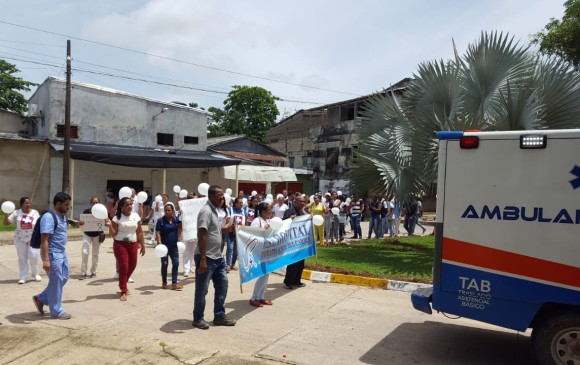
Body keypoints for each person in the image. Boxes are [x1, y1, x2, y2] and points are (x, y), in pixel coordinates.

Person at [193, 185, 236, 329]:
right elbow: (202, 234)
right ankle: (198, 318)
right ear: (210, 196)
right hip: (207, 258)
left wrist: (227, 229)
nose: (222, 198)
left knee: (222, 286)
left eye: (223, 195)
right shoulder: (206, 211)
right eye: (219, 195)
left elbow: (215, 231)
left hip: (218, 258)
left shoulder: (215, 211)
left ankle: (219, 316)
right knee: (202, 290)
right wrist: (203, 259)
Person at [32, 192, 72, 319]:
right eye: (66, 205)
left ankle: (41, 298)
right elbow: (44, 239)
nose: (68, 207)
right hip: (52, 254)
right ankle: (57, 311)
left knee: (64, 277)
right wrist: (46, 259)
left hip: (61, 252)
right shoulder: (49, 217)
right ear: (58, 203)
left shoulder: (62, 215)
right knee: (56, 280)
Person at [107, 197, 146, 301]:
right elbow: (113, 234)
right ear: (122, 207)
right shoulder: (117, 218)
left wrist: (143, 245)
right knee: (124, 267)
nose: (129, 206)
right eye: (127, 205)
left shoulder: (135, 216)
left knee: (132, 265)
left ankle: (122, 283)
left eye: (131, 204)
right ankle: (123, 291)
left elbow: (140, 232)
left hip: (133, 244)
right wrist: (110, 226)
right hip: (120, 245)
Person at [4, 197, 41, 284]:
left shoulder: (35, 213)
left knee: (33, 256)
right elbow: (6, 223)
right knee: (22, 258)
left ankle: (35, 274)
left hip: (32, 238)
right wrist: (5, 214)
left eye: (29, 203)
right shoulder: (17, 213)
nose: (28, 205)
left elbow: (39, 224)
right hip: (20, 239)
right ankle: (23, 276)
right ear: (21, 205)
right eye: (26, 203)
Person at [249, 202, 274, 307]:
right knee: (262, 275)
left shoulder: (267, 220)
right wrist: (265, 229)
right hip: (259, 251)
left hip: (267, 250)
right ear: (263, 211)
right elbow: (253, 235)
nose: (271, 211)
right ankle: (254, 298)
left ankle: (261, 297)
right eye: (269, 209)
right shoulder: (256, 221)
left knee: (266, 274)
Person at [156, 202, 183, 290]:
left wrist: (179, 236)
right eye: (166, 210)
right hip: (164, 247)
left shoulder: (175, 219)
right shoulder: (161, 221)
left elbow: (180, 226)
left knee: (176, 263)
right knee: (165, 264)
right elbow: (158, 232)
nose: (167, 212)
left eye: (169, 210)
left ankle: (174, 283)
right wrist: (159, 243)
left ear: (172, 211)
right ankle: (164, 282)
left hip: (173, 246)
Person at [283, 195, 307, 289]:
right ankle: (288, 282)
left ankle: (297, 281)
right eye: (300, 201)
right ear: (295, 202)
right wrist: (290, 219)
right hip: (292, 241)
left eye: (303, 201)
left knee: (300, 263)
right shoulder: (290, 211)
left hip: (301, 241)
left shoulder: (302, 211)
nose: (302, 203)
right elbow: (283, 222)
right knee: (292, 263)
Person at [78, 196, 104, 280]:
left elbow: (106, 221)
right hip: (87, 234)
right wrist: (80, 223)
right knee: (84, 252)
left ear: (99, 203)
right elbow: (81, 223)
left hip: (97, 234)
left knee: (95, 253)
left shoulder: (102, 212)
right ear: (91, 203)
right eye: (93, 202)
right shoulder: (86, 211)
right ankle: (83, 272)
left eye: (97, 202)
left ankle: (93, 271)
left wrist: (107, 223)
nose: (95, 204)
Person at [226, 197, 246, 272]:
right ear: (235, 203)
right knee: (230, 248)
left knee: (236, 250)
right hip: (230, 232)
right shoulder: (230, 210)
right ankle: (227, 264)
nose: (241, 204)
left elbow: (245, 221)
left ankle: (233, 264)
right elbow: (227, 220)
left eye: (242, 203)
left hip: (239, 233)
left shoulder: (244, 211)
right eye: (240, 203)